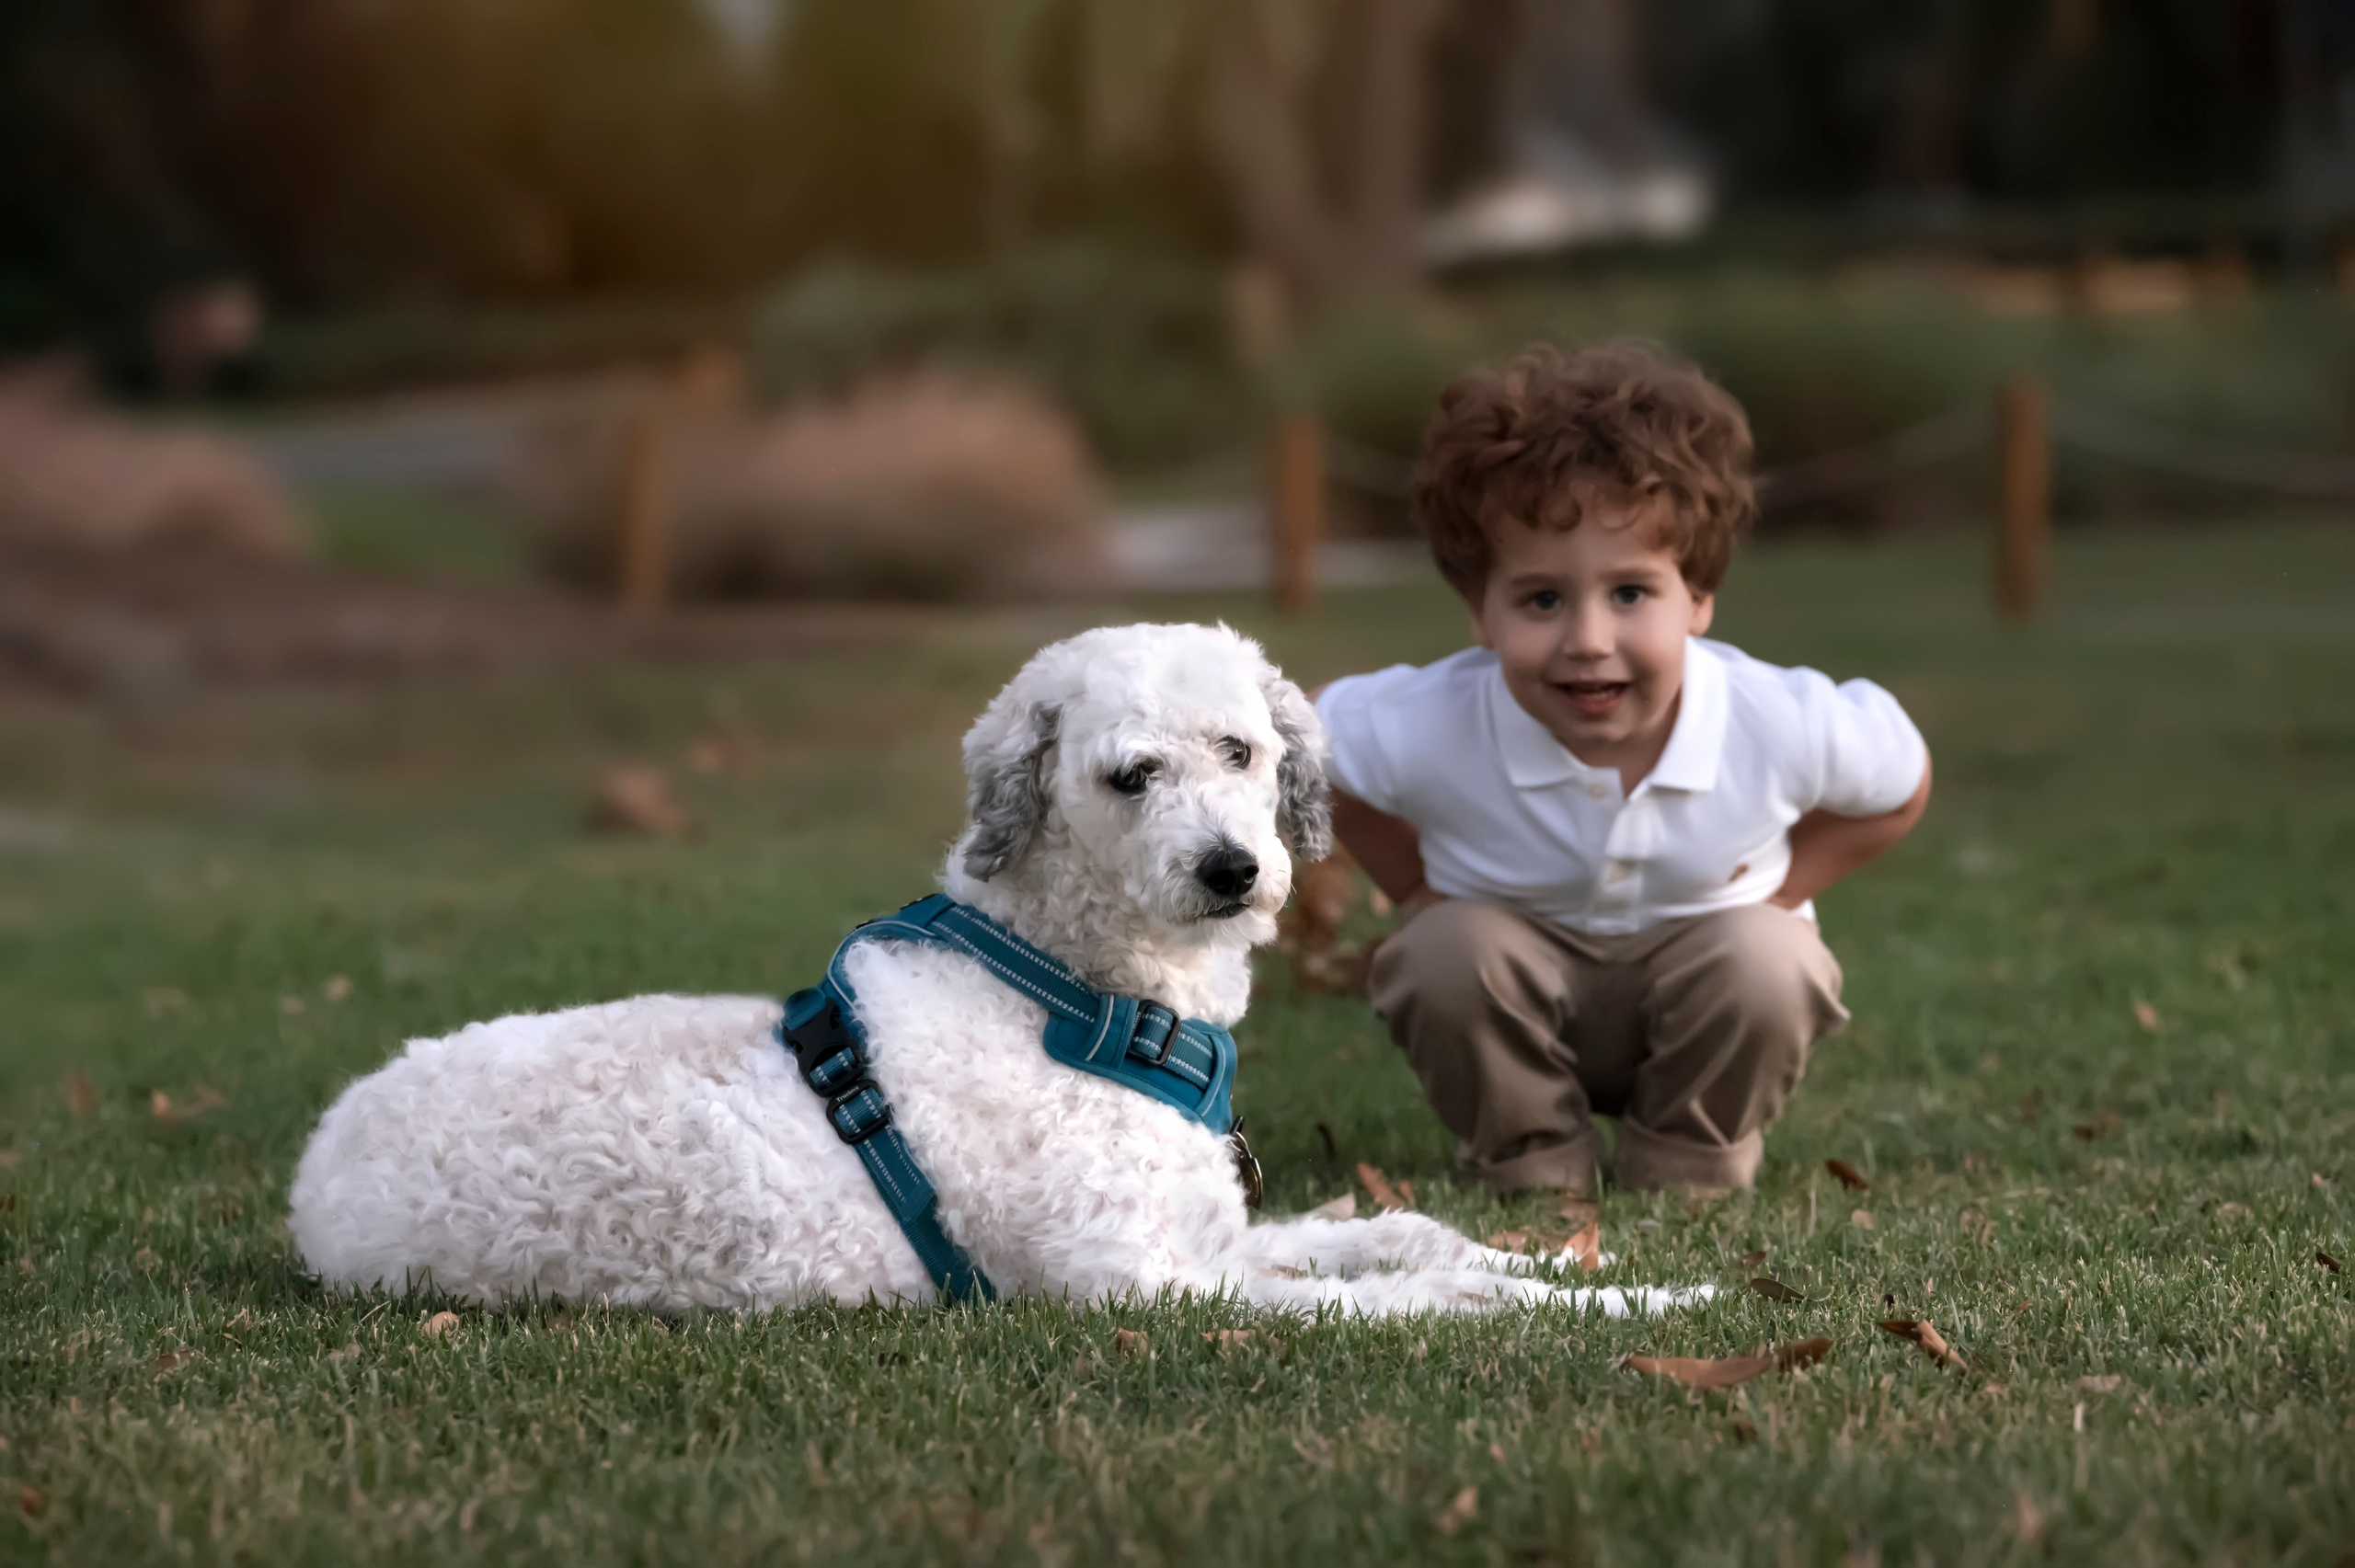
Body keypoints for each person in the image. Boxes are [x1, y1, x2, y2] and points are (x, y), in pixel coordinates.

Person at [1315, 342, 1931, 1198]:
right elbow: (1308, 755)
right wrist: (1414, 886)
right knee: (1442, 950)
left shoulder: (1776, 720)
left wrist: (1785, 892)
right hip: (1514, 984)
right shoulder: (1431, 721)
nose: (1589, 640)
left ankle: (1690, 1168)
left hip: (1706, 992)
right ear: (1479, 612)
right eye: (1541, 599)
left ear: (1700, 597)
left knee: (1768, 958)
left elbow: (1899, 783)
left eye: (1632, 594)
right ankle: (1531, 1162)